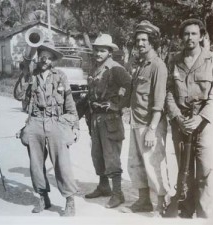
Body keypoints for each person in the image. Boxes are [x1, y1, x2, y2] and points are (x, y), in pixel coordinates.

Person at [14, 40, 79, 216]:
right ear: (38, 56)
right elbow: (18, 95)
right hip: (35, 121)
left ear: (53, 60)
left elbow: (69, 103)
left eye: (49, 58)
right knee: (36, 164)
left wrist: (75, 126)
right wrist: (24, 74)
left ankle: (70, 200)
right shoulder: (31, 74)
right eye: (43, 56)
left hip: (55, 121)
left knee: (62, 164)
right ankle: (43, 197)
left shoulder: (60, 76)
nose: (45, 61)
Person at [166, 18, 213, 218]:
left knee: (204, 169)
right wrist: (177, 117)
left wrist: (201, 118)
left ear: (202, 36)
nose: (190, 38)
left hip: (204, 121)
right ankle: (186, 209)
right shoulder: (174, 60)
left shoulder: (211, 60)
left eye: (194, 34)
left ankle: (204, 214)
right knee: (183, 168)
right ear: (181, 38)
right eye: (186, 34)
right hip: (181, 122)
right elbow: (168, 92)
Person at [125, 20, 169, 216]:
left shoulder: (158, 66)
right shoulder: (141, 65)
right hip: (136, 121)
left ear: (152, 42)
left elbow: (159, 102)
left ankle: (161, 205)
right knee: (135, 163)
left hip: (150, 124)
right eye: (138, 40)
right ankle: (144, 201)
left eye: (144, 40)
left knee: (154, 165)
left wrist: (152, 129)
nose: (140, 43)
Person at [84, 34, 132, 209]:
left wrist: (116, 105)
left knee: (112, 157)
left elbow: (129, 87)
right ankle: (104, 186)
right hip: (95, 118)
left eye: (102, 50)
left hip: (110, 119)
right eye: (96, 49)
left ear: (109, 52)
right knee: (97, 155)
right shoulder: (95, 69)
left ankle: (118, 193)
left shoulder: (116, 69)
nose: (98, 52)